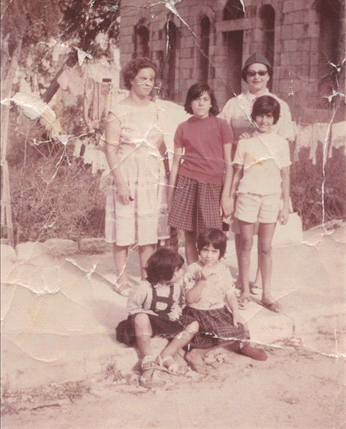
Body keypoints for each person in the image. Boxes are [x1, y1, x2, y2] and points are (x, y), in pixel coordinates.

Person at [219, 52, 294, 293]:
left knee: (264, 236)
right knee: (243, 232)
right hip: (241, 170)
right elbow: (222, 133)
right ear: (245, 77)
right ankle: (242, 279)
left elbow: (284, 144)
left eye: (262, 72)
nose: (257, 77)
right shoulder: (234, 103)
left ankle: (261, 280)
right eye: (251, 73)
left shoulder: (280, 104)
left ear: (269, 75)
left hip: (267, 177)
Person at [105, 58, 170, 297]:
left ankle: (146, 279)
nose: (148, 83)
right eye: (143, 78)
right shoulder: (118, 110)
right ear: (131, 80)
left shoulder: (156, 109)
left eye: (151, 79)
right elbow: (110, 149)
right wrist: (120, 182)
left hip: (152, 175)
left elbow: (162, 145)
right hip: (127, 173)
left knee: (148, 231)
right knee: (123, 230)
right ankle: (122, 279)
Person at [229, 96, 291, 312]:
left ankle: (266, 294)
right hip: (247, 196)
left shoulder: (281, 143)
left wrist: (285, 206)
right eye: (260, 115)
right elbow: (237, 174)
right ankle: (245, 290)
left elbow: (285, 176)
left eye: (269, 116)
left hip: (271, 198)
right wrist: (230, 198)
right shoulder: (245, 142)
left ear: (274, 118)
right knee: (245, 243)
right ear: (254, 117)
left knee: (265, 248)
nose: (264, 120)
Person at [181, 228, 267, 371]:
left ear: (221, 253)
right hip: (198, 313)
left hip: (218, 311)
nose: (209, 255)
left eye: (214, 252)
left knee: (241, 326)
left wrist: (235, 312)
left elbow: (230, 294)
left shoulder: (223, 270)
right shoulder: (193, 269)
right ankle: (196, 353)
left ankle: (244, 347)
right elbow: (190, 299)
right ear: (198, 250)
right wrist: (202, 281)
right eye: (205, 250)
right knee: (219, 333)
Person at [168, 83, 233, 264]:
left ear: (211, 103)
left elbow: (229, 164)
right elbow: (175, 164)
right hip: (186, 183)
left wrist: (226, 196)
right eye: (196, 99)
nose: (201, 103)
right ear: (190, 102)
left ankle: (211, 277)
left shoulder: (222, 126)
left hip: (212, 186)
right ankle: (193, 274)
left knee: (211, 236)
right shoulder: (183, 127)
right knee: (189, 234)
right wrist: (171, 195)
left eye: (205, 99)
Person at [116, 247, 199, 388]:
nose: (181, 272)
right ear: (164, 273)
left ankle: (165, 355)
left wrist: (175, 313)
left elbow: (176, 304)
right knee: (141, 317)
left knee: (193, 324)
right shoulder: (144, 287)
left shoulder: (176, 286)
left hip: (163, 320)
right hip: (144, 323)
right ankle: (147, 357)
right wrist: (148, 314)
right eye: (178, 270)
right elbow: (132, 308)